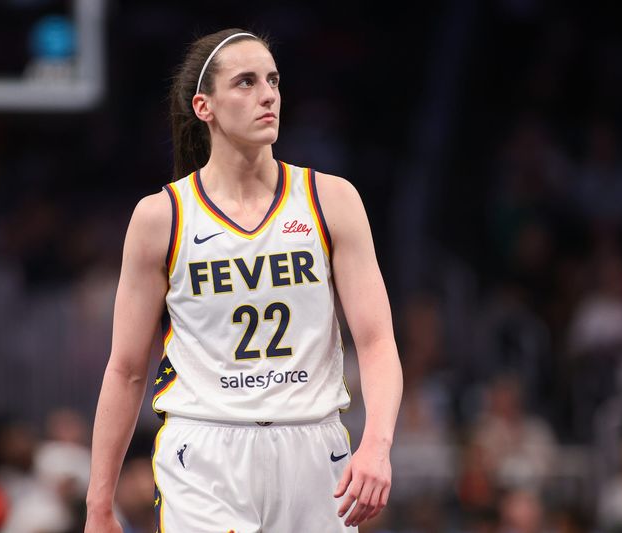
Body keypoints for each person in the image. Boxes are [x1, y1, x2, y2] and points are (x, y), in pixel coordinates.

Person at [85, 28, 403, 532]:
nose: (268, 94)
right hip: (206, 448)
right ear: (203, 106)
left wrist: (378, 445)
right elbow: (125, 371)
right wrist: (98, 504)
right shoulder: (161, 218)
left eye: (273, 80)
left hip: (314, 446)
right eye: (246, 82)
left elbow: (377, 340)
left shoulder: (332, 200)